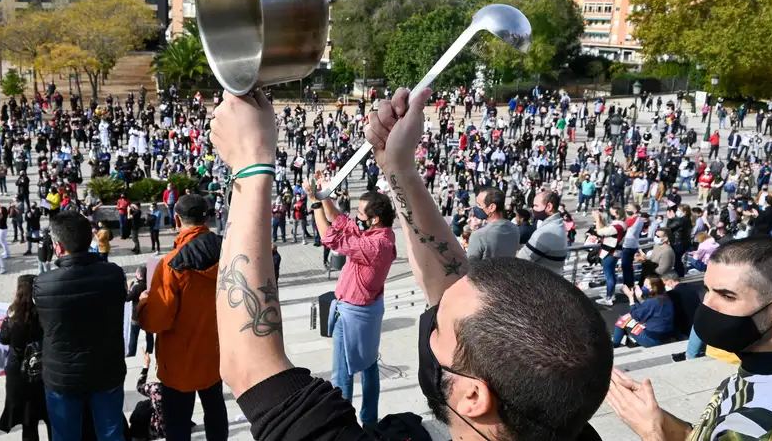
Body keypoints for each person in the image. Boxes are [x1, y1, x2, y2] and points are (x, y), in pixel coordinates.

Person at [208, 88, 613, 441]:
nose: (434, 307)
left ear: (473, 396)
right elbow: (454, 284)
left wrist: (252, 165)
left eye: (436, 325)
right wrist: (398, 167)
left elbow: (250, 366)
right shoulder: (563, 419)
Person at [608, 237, 772, 440]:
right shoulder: (763, 373)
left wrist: (652, 433)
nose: (707, 304)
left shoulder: (765, 428)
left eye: (727, 296)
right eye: (707, 290)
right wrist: (655, 417)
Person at [305, 173, 397, 427]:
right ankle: (369, 420)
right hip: (365, 309)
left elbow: (330, 237)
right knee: (368, 365)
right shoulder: (380, 235)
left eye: (362, 213)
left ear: (375, 219)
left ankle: (343, 425)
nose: (358, 216)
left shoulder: (374, 246)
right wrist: (324, 195)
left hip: (353, 314)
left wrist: (314, 203)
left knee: (342, 372)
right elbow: (342, 221)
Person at [138, 194, 227, 441]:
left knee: (177, 423)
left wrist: (144, 301)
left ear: (176, 219)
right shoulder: (228, 250)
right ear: (208, 218)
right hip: (216, 352)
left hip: (179, 360)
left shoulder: (169, 265)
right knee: (216, 410)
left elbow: (156, 321)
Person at [33, 211, 127, 441]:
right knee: (111, 433)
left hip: (63, 375)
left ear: (58, 246)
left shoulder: (43, 284)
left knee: (65, 435)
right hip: (107, 369)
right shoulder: (113, 274)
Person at [0, 275, 51, 441]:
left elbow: (4, 339)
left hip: (20, 373)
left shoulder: (14, 317)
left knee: (29, 423)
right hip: (45, 371)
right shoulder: (46, 312)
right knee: (52, 418)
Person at [612, 275, 675, 348]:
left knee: (622, 320)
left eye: (646, 285)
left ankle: (614, 345)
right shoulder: (664, 297)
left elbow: (636, 316)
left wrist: (631, 298)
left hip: (652, 339)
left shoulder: (652, 301)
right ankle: (631, 340)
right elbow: (646, 309)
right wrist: (639, 297)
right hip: (666, 335)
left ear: (654, 287)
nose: (643, 287)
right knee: (631, 321)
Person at [516, 190, 568, 271]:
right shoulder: (559, 225)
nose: (533, 209)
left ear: (549, 207)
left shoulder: (546, 232)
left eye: (536, 206)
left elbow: (521, 259)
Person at [466, 187, 520, 260]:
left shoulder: (479, 236)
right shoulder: (514, 228)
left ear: (492, 207)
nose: (476, 207)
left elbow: (470, 266)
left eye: (479, 204)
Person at [125, 266, 149, 358]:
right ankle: (149, 349)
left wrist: (129, 288)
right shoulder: (149, 286)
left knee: (134, 335)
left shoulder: (136, 287)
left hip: (136, 315)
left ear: (139, 275)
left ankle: (131, 352)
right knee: (149, 334)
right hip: (147, 314)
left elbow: (127, 298)